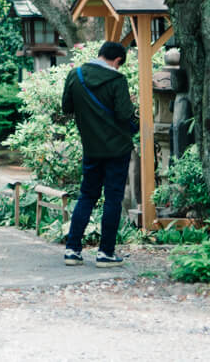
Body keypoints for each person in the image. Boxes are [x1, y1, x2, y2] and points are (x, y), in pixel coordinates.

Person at [61, 41, 140, 266]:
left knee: (87, 196)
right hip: (118, 149)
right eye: (119, 65)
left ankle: (72, 250)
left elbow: (66, 108)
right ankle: (105, 253)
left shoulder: (75, 75)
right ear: (116, 61)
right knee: (113, 199)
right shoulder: (117, 80)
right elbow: (125, 115)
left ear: (100, 54)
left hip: (91, 147)